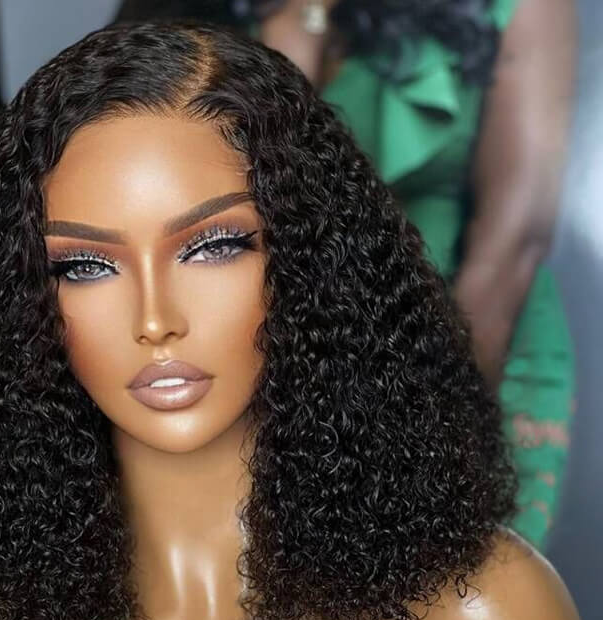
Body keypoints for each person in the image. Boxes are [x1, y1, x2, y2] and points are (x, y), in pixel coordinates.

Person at [0, 21, 591, 620]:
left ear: (308, 260)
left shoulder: (486, 615)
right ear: (21, 304)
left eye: (212, 247)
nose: (155, 319)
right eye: (84, 266)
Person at [114, 0, 577, 552]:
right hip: (261, 354)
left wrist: (427, 424)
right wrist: (305, 17)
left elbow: (517, 230)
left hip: (469, 338)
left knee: (448, 581)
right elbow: (236, 172)